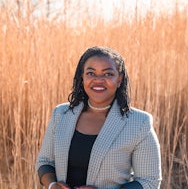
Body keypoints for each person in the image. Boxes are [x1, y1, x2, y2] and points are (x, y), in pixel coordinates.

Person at [35, 46, 162, 189]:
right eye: (91, 73)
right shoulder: (61, 114)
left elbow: (149, 181)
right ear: (82, 77)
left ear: (119, 79)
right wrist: (52, 185)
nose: (98, 80)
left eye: (108, 74)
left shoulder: (139, 122)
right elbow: (45, 161)